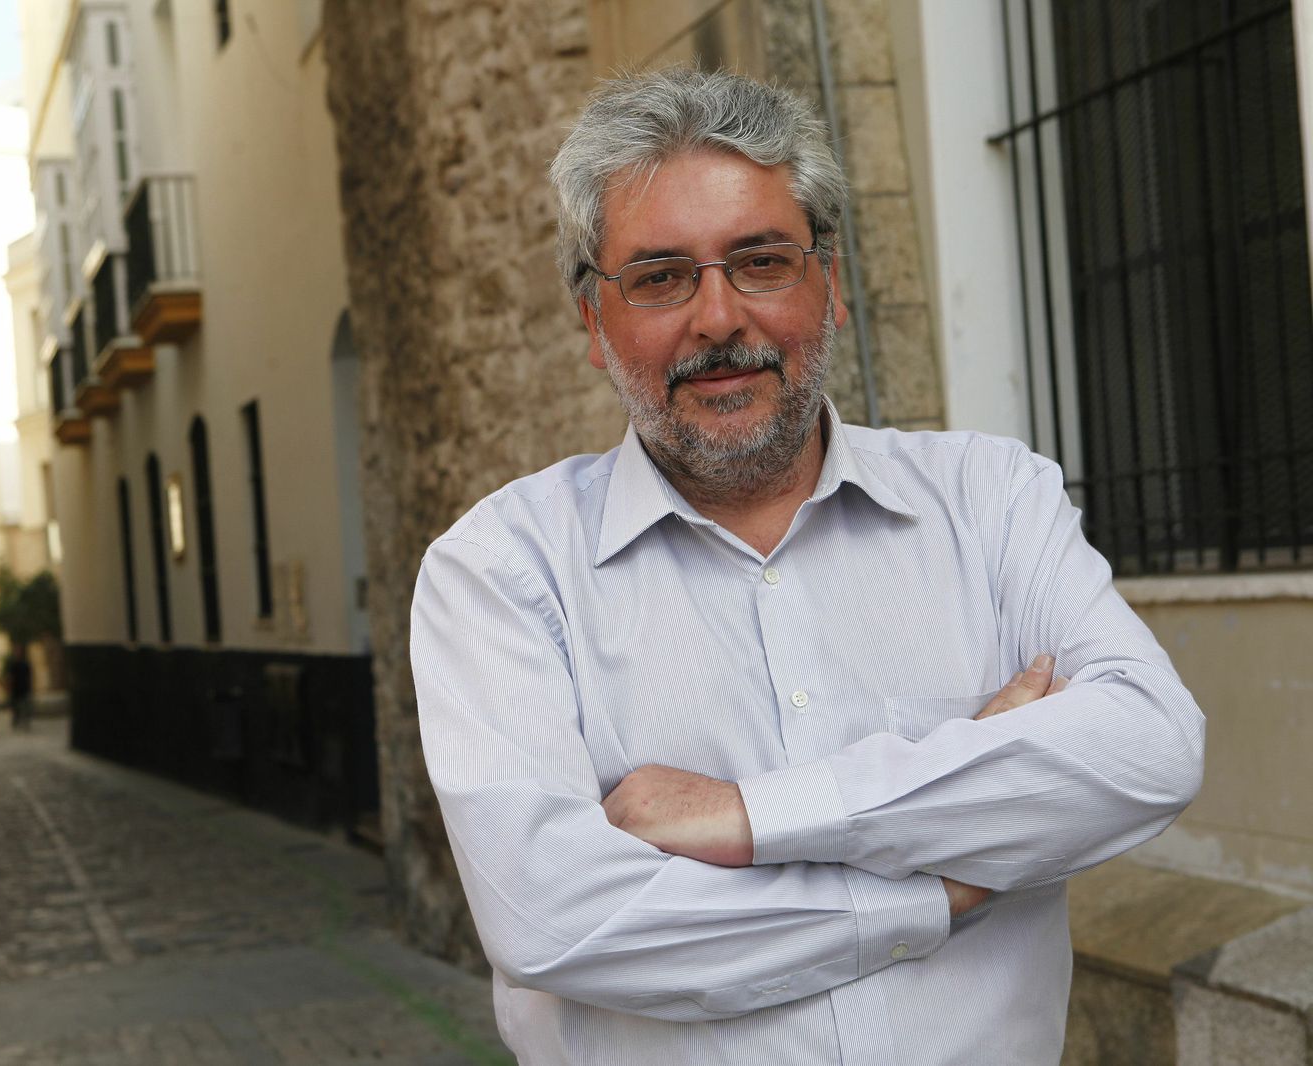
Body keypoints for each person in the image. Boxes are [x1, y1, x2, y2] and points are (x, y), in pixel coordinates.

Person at [409, 68, 1204, 1065]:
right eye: (659, 277)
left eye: (761, 262)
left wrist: (747, 817)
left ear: (831, 287)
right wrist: (939, 883)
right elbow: (555, 921)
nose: (717, 318)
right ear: (592, 323)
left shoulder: (991, 500)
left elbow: (1148, 746)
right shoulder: (501, 574)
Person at [6, 649, 34, 732]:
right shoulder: (15, 665)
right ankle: (18, 719)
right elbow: (11, 677)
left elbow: (29, 676)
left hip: (23, 688)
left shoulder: (24, 664)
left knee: (23, 705)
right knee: (17, 705)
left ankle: (23, 720)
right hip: (17, 688)